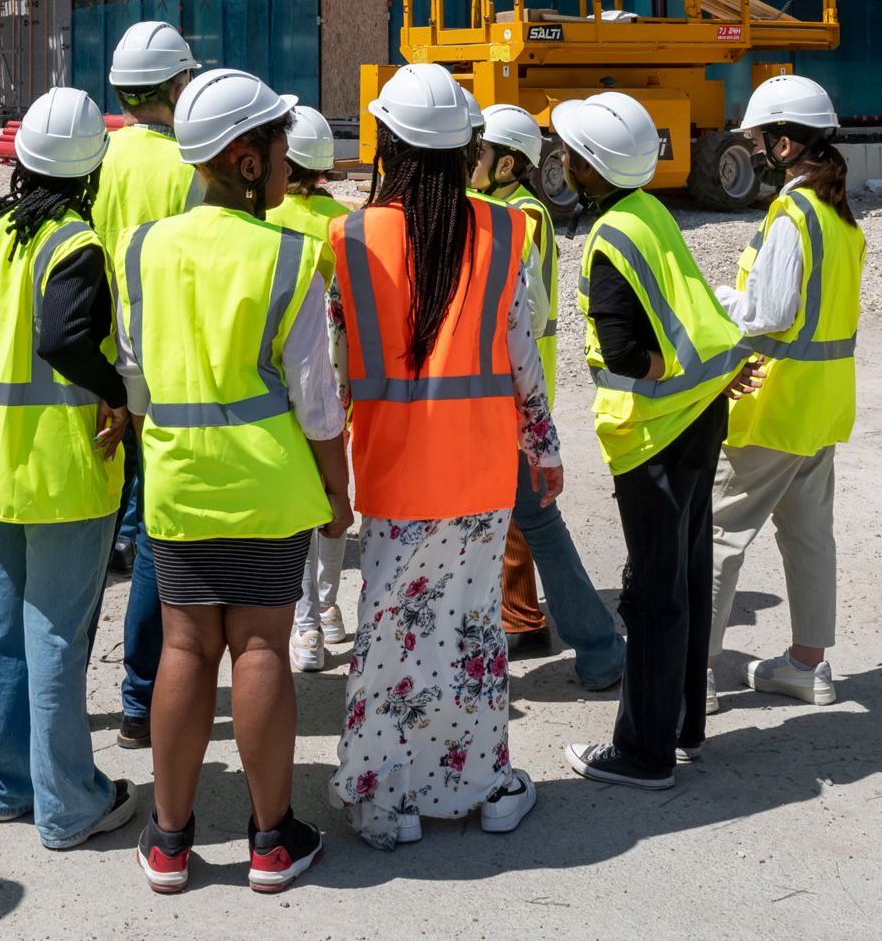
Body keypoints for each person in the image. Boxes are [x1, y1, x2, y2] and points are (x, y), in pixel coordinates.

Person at [118, 68, 350, 895]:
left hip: (178, 484)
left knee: (184, 647)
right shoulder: (290, 257)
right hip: (267, 490)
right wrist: (337, 492)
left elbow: (135, 380)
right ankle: (271, 842)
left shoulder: (141, 249)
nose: (290, 162)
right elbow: (316, 402)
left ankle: (171, 841)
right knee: (261, 650)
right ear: (247, 161)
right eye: (281, 148)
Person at [328, 62, 557, 849]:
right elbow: (522, 351)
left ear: (387, 140)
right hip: (482, 472)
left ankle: (381, 795)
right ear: (466, 146)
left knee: (389, 634)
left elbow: (328, 372)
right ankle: (479, 783)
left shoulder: (352, 239)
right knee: (469, 634)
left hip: (393, 474)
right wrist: (544, 446)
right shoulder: (502, 231)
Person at [0, 87, 139, 847]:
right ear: (90, 169)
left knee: (3, 626)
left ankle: (6, 784)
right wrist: (116, 392)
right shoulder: (74, 244)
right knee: (55, 634)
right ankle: (69, 803)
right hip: (65, 472)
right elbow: (62, 342)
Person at [557, 92, 753, 791]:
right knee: (687, 579)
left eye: (569, 152)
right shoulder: (650, 213)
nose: (560, 159)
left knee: (653, 594)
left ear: (591, 165)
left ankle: (642, 752)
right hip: (698, 419)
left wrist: (650, 372)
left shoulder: (609, 237)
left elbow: (621, 350)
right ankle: (683, 727)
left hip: (652, 437)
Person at [707, 76, 864, 711]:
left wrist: (716, 300)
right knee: (808, 536)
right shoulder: (838, 215)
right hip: (821, 405)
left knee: (717, 537)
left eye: (762, 137)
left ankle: (691, 675)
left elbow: (767, 313)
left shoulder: (793, 216)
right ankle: (806, 665)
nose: (757, 147)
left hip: (771, 406)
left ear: (784, 143)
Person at [471, 101, 624, 690]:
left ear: (507, 163)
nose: (472, 163)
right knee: (529, 523)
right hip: (515, 391)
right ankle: (562, 634)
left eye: (480, 154)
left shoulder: (522, 215)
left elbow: (523, 311)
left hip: (517, 394)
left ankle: (557, 631)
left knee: (529, 524)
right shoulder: (506, 207)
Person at [89, 19, 201, 747]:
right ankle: (143, 698)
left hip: (95, 361)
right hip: (163, 365)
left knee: (110, 518)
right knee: (162, 540)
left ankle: (127, 703)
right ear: (174, 85)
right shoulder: (190, 166)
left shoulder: (94, 155)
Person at [265, 103, 353, 675]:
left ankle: (306, 628)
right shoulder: (344, 222)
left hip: (281, 376)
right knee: (334, 496)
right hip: (339, 378)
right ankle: (329, 606)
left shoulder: (267, 219)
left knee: (300, 499)